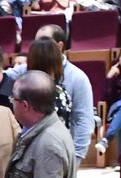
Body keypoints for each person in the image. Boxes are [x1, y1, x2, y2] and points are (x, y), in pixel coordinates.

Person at [31, 25, 96, 162]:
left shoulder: (77, 78)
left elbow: (83, 120)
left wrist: (76, 158)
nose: (40, 47)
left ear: (59, 46)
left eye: (45, 42)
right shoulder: (24, 75)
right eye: (37, 43)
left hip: (58, 154)